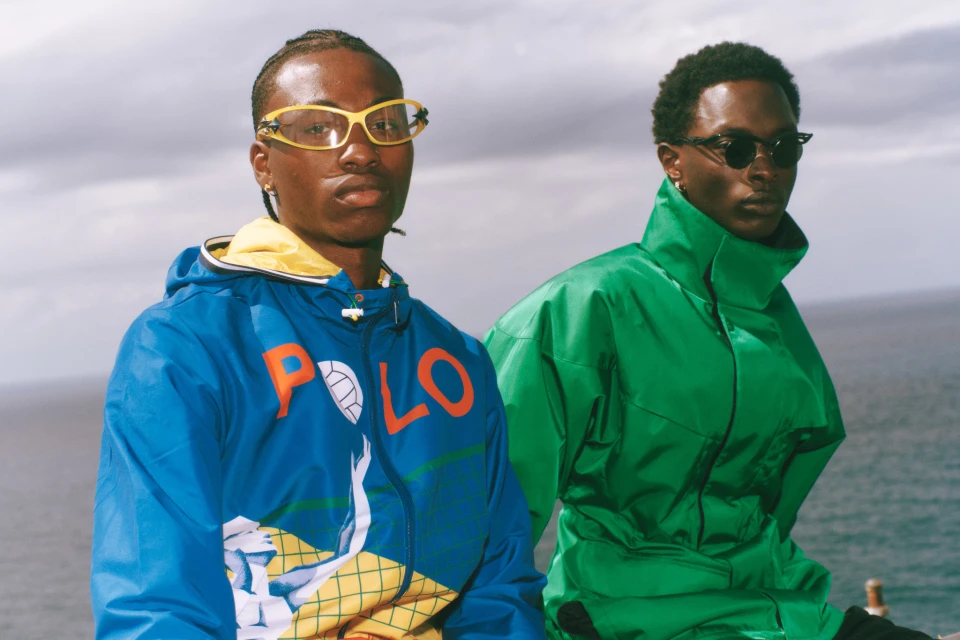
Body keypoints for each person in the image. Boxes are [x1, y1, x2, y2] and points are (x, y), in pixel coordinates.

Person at [91, 29, 546, 640]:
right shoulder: (182, 346)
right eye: (317, 127)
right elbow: (155, 609)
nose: (360, 150)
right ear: (264, 164)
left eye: (385, 124)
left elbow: (498, 589)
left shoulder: (456, 358)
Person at [484, 42, 932, 640]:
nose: (764, 169)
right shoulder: (580, 309)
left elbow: (773, 505)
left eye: (783, 148)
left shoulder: (773, 318)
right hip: (623, 618)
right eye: (735, 148)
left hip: (776, 609)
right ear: (672, 161)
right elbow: (486, 526)